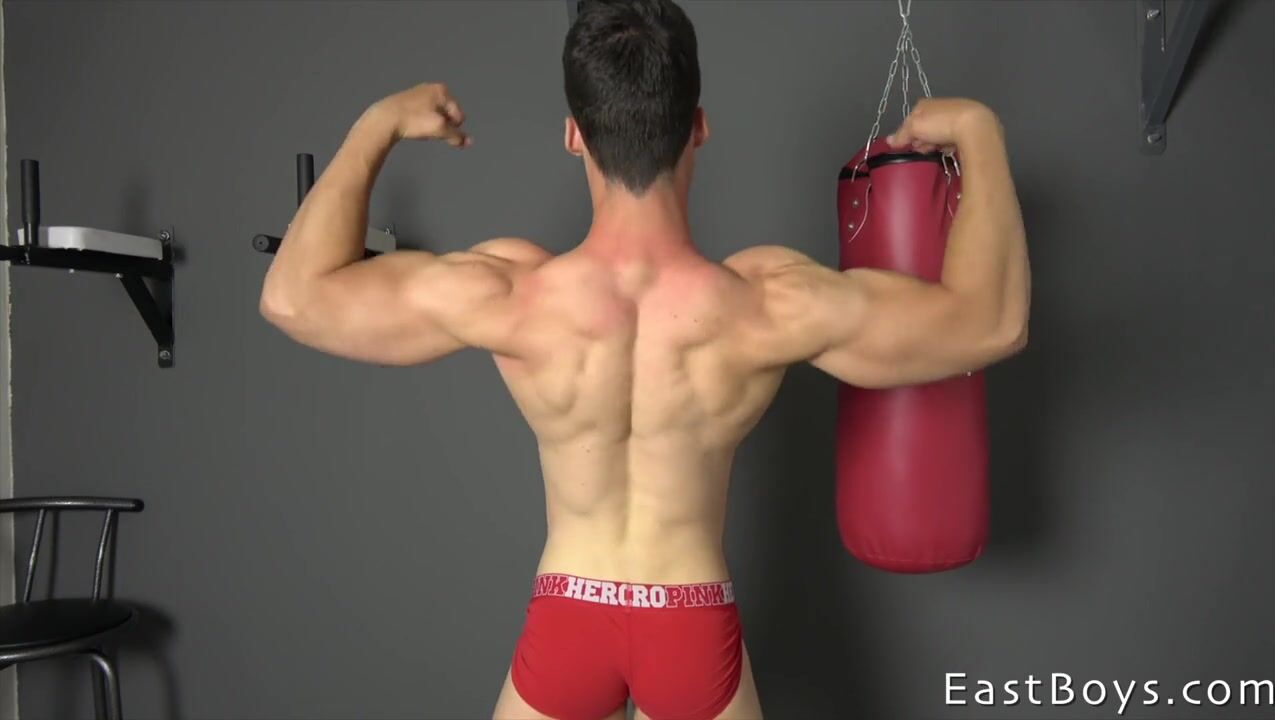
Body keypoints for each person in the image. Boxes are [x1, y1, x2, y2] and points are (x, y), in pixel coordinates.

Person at [259, 0, 1030, 717]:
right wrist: (978, 132)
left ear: (574, 135)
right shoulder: (767, 302)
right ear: (698, 128)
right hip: (689, 620)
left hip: (568, 611)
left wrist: (377, 126)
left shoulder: (510, 291)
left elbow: (294, 299)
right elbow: (991, 324)